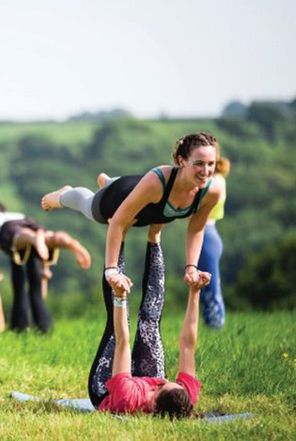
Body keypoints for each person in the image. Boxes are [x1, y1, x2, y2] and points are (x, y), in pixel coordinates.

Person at [41, 132, 224, 411]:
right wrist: (112, 269)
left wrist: (190, 267)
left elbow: (197, 226)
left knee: (135, 328)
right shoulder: (162, 180)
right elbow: (117, 223)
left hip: (147, 208)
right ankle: (65, 194)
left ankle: (107, 182)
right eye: (200, 163)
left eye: (211, 164)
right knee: (92, 207)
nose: (206, 171)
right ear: (181, 160)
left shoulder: (210, 191)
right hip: (121, 203)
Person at [90, 233, 210, 417]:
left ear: (154, 402)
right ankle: (155, 236)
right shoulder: (184, 396)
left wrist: (120, 295)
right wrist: (195, 293)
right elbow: (188, 345)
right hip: (138, 384)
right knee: (149, 323)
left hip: (106, 390)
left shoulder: (127, 398)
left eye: (160, 386)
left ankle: (118, 234)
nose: (160, 381)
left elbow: (123, 342)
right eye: (165, 381)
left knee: (118, 329)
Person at [0, 202, 92, 333]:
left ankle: (19, 327)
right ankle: (69, 242)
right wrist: (45, 268)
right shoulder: (12, 214)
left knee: (19, 238)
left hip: (10, 230)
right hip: (28, 222)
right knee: (49, 238)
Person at [197, 157, 230, 328]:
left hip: (206, 234)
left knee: (210, 284)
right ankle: (212, 324)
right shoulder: (218, 179)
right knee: (206, 285)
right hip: (209, 233)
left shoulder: (215, 181)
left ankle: (215, 325)